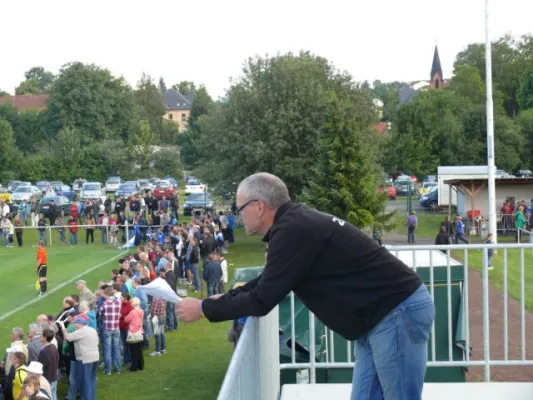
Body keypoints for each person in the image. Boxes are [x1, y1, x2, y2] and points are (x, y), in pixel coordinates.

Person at [177, 172, 434, 400]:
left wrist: (203, 309)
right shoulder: (293, 225)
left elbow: (262, 299)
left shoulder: (292, 231)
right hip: (377, 320)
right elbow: (267, 282)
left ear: (258, 206)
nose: (237, 214)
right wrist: (217, 302)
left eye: (239, 207)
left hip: (395, 313)